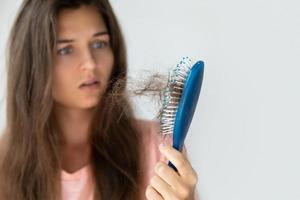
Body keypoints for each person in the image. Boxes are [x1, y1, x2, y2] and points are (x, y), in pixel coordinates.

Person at [0, 0, 199, 199]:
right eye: (66, 50)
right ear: (33, 63)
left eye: (99, 44)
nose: (89, 63)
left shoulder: (159, 149)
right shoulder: (3, 161)